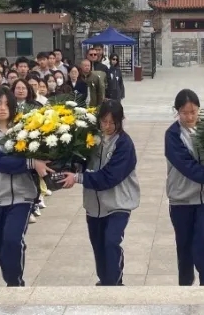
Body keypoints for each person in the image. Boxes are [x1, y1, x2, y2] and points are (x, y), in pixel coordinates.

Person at [0, 87, 47, 287]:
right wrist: (31, 163)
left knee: (13, 241)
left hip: (23, 197)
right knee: (2, 247)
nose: (2, 108)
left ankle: (16, 285)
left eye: (7, 104)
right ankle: (11, 280)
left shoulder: (25, 131)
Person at [60, 99, 140, 286]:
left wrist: (78, 178)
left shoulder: (124, 144)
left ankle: (115, 283)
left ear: (121, 121)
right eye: (104, 121)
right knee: (98, 246)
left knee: (111, 242)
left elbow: (109, 177)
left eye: (113, 122)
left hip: (118, 204)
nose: (108, 126)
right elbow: (80, 160)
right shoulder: (91, 139)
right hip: (93, 205)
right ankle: (104, 281)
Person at [165, 89, 204, 286]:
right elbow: (187, 167)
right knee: (185, 245)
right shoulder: (172, 135)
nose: (189, 117)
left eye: (193, 112)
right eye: (184, 112)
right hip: (181, 199)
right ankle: (185, 286)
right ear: (177, 111)